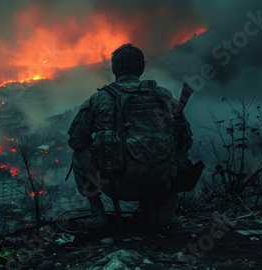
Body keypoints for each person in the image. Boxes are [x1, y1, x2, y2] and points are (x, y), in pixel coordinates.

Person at [67, 43, 192, 229]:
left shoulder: (99, 99)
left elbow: (76, 141)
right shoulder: (163, 95)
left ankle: (97, 215)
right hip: (161, 183)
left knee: (78, 156)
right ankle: (165, 212)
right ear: (142, 69)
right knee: (180, 148)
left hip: (117, 186)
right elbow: (185, 139)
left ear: (114, 68)